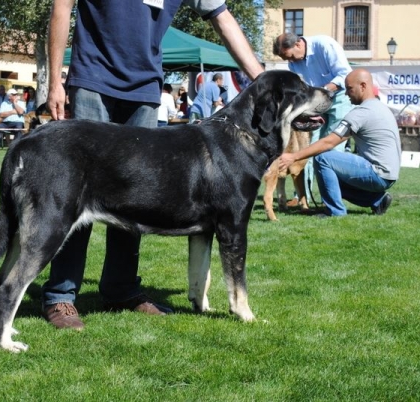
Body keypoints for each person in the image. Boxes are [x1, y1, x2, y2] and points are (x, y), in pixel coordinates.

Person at [44, 0, 264, 330]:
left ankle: (121, 289)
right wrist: (54, 80)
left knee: (136, 193)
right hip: (92, 78)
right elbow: (61, 7)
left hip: (145, 89)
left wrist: (261, 78)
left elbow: (224, 19)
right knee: (78, 193)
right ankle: (60, 295)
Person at [277, 69, 400, 218]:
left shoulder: (361, 113)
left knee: (323, 158)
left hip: (377, 173)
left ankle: (334, 212)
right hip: (389, 174)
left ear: (363, 86)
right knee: (333, 180)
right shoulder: (380, 107)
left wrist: (294, 156)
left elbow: (329, 142)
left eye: (349, 89)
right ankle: (377, 200)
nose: (346, 94)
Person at [273, 33, 353, 206]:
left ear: (298, 44)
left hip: (339, 98)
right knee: (306, 150)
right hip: (314, 103)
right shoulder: (293, 61)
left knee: (333, 150)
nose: (291, 62)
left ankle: (332, 200)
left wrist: (322, 92)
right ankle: (302, 198)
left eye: (291, 57)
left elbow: (345, 74)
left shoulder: (325, 45)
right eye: (288, 59)